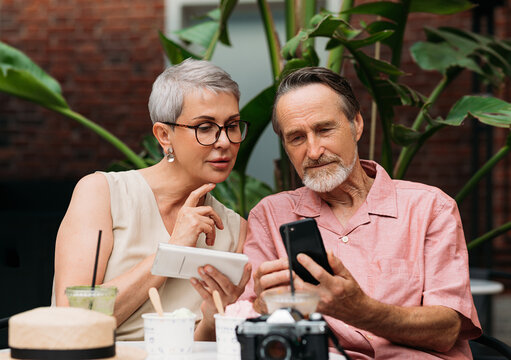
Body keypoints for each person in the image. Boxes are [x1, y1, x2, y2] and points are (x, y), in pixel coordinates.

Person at [241, 67, 482, 359]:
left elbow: (447, 330)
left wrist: (360, 310)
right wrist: (264, 308)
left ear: (356, 124)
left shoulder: (430, 208)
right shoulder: (270, 216)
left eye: (324, 129)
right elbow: (247, 321)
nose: (314, 151)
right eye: (297, 138)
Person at [53, 59, 251, 341]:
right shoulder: (102, 193)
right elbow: (70, 323)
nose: (224, 141)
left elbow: (200, 348)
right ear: (164, 135)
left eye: (231, 125)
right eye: (205, 127)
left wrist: (212, 320)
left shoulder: (235, 230)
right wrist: (172, 251)